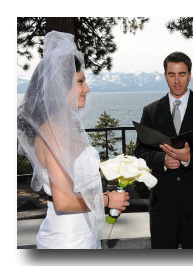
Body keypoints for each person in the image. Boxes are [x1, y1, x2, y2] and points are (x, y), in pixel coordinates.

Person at [17, 31, 129, 249]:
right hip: (67, 240)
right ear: (59, 87)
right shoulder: (54, 132)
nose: (86, 89)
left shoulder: (66, 126)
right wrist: (106, 201)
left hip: (85, 233)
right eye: (80, 82)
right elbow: (63, 201)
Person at [134, 51, 193, 249]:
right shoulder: (151, 111)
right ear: (165, 76)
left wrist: (190, 157)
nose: (177, 80)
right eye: (171, 75)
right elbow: (139, 151)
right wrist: (161, 160)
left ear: (189, 75)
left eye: (181, 74)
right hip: (162, 204)